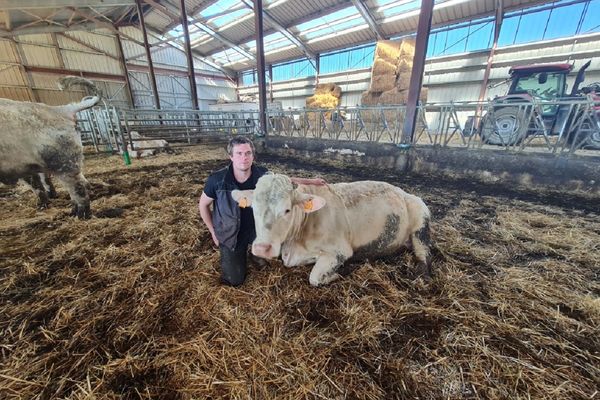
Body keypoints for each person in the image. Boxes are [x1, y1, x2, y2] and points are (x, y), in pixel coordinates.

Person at [198, 136, 325, 286]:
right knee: (235, 280)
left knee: (278, 252)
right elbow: (203, 206)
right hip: (229, 233)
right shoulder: (217, 180)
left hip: (257, 228)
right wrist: (213, 231)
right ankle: (242, 255)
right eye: (239, 153)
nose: (244, 158)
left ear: (253, 155)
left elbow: (286, 180)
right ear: (230, 157)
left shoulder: (262, 175)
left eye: (248, 153)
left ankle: (256, 253)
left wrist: (312, 182)